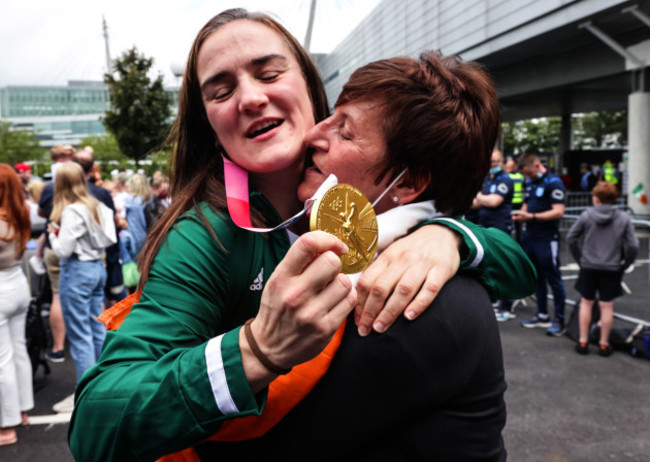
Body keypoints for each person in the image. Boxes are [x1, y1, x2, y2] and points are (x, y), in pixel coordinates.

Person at [69, 9, 534, 460]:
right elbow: (95, 424)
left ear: (310, 89)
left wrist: (450, 237)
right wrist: (255, 349)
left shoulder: (365, 213)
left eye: (269, 73)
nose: (249, 98)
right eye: (221, 90)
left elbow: (518, 270)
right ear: (209, 123)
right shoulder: (204, 236)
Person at [47, 162, 116, 412]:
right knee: (96, 330)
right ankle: (102, 386)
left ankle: (86, 395)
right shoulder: (96, 205)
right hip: (97, 267)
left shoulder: (72, 211)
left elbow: (62, 250)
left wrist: (54, 234)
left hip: (77, 271)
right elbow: (110, 238)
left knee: (80, 336)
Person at [567, 181, 638, 356]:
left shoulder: (586, 215)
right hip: (612, 267)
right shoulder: (623, 218)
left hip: (589, 265)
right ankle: (604, 344)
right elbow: (634, 246)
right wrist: (625, 264)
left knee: (586, 303)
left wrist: (580, 259)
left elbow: (571, 238)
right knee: (607, 306)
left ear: (596, 199)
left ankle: (583, 342)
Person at [514, 153, 567, 336]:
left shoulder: (554, 183)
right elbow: (526, 204)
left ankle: (559, 320)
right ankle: (542, 315)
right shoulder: (529, 183)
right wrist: (522, 214)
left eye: (529, 173)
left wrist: (532, 217)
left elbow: (559, 212)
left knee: (554, 279)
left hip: (547, 238)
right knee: (536, 277)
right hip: (530, 236)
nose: (527, 178)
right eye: (525, 175)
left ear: (537, 165)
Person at [0, 164, 34, 446]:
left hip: (2, 288)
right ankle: (22, 410)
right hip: (18, 284)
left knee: (3, 359)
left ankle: (7, 425)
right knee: (18, 350)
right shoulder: (21, 213)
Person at [37, 144, 75, 365]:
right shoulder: (88, 189)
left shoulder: (50, 187)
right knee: (91, 298)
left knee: (58, 296)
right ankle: (99, 345)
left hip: (57, 243)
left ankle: (59, 347)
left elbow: (42, 212)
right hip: (82, 251)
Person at [472, 149, 515, 322]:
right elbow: (476, 203)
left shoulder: (506, 179)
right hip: (485, 227)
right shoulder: (487, 179)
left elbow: (494, 201)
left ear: (502, 161)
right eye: (491, 162)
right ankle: (495, 301)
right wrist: (482, 198)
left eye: (496, 162)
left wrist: (480, 197)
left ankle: (507, 307)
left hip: (500, 228)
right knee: (489, 267)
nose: (493, 165)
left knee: (503, 266)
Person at [504, 157, 525, 242]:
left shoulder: (506, 177)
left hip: (510, 203)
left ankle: (508, 241)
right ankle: (519, 242)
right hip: (519, 202)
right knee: (518, 225)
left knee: (508, 223)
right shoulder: (520, 176)